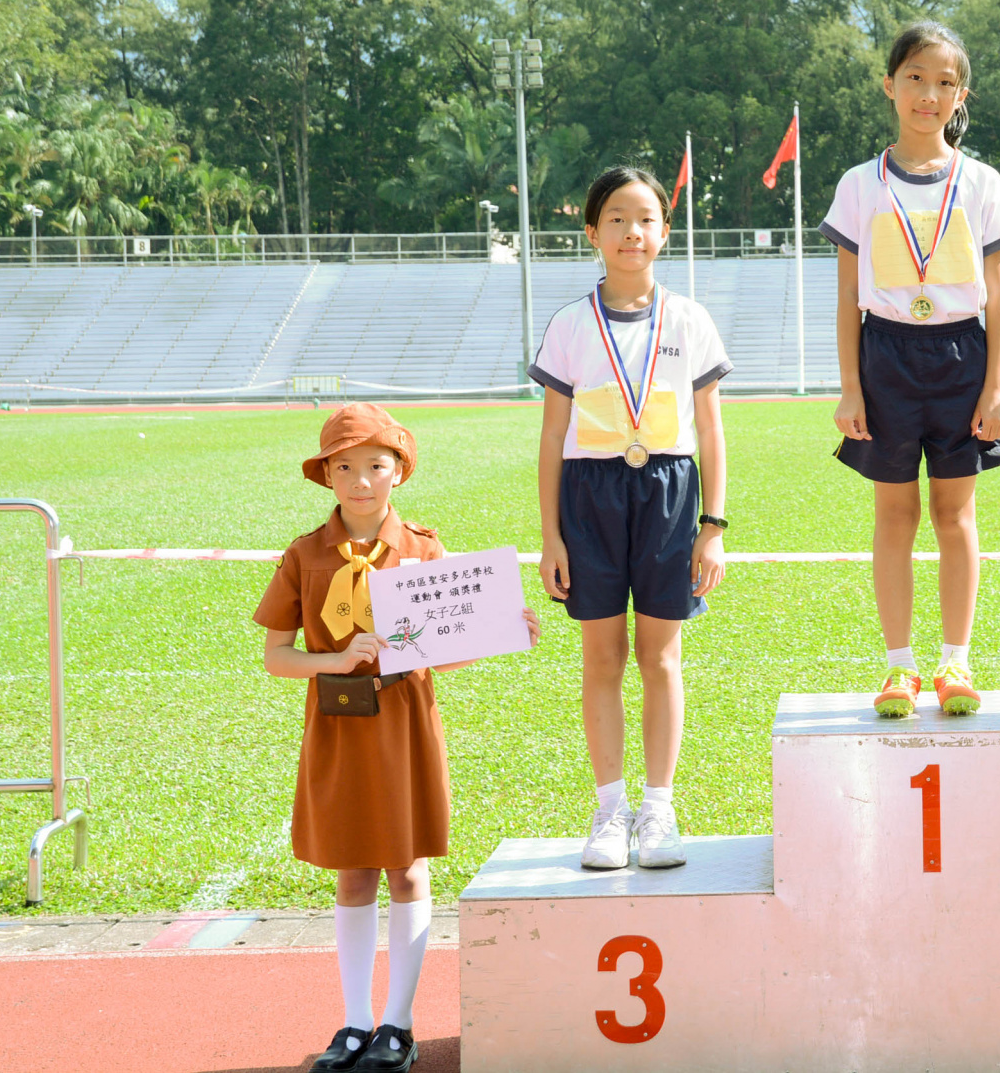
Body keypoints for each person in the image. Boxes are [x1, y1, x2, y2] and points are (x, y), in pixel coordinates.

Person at [256, 404, 540, 1073]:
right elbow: (276, 656)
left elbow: (446, 646)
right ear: (326, 474)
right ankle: (355, 1022)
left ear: (399, 472)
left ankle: (398, 1024)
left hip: (405, 719)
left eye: (376, 465)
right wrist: (337, 658)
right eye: (345, 467)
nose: (361, 481)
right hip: (338, 723)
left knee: (407, 867)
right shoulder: (304, 553)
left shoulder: (422, 548)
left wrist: (503, 630)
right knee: (353, 869)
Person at [820, 20, 1000, 718]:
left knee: (954, 512)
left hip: (962, 355)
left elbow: (998, 294)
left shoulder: (982, 182)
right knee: (895, 512)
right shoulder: (859, 184)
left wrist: (995, 386)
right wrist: (851, 387)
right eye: (914, 78)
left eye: (944, 82)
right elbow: (846, 296)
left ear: (960, 95)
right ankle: (899, 666)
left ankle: (955, 660)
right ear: (889, 85)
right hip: (885, 355)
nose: (927, 94)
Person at [533, 166, 732, 872]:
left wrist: (712, 526)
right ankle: (609, 809)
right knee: (602, 657)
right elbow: (551, 436)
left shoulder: (689, 319)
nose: (631, 232)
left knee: (661, 656)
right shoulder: (569, 325)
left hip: (669, 492)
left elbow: (711, 430)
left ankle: (658, 807)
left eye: (645, 218)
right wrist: (551, 536)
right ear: (592, 232)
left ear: (664, 232)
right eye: (616, 219)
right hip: (589, 495)